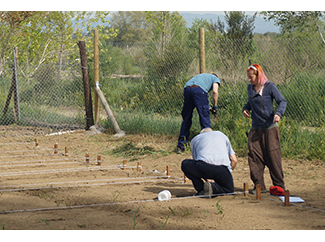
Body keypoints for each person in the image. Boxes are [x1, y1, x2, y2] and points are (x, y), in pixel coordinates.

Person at [242, 63, 287, 194]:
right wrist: (246, 108)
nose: (249, 80)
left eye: (251, 77)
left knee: (273, 156)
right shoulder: (250, 88)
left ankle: (279, 185)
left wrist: (278, 113)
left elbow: (282, 101)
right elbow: (250, 102)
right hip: (256, 128)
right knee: (254, 157)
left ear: (259, 75)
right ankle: (259, 186)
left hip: (270, 128)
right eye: (248, 77)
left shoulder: (270, 87)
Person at [181, 128, 237, 197]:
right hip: (223, 169)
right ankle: (213, 188)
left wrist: (207, 180)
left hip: (204, 166)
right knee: (229, 190)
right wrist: (228, 173)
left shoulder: (195, 139)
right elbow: (234, 160)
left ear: (201, 134)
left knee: (185, 164)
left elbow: (197, 162)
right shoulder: (222, 135)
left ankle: (201, 189)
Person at [177, 73, 220, 154]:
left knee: (186, 119)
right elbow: (215, 91)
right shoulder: (215, 78)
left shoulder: (203, 77)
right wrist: (215, 106)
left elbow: (195, 98)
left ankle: (181, 146)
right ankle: (208, 147)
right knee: (205, 119)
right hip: (199, 90)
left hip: (187, 89)